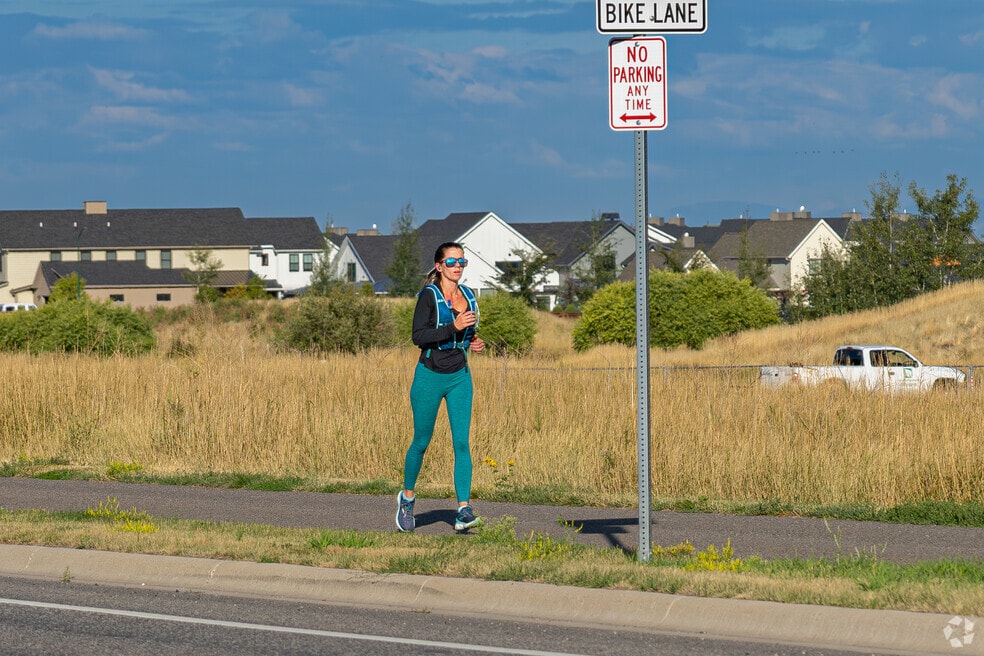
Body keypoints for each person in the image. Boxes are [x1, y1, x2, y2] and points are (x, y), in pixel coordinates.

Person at [396, 242, 486, 533]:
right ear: (439, 266)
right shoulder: (428, 296)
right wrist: (454, 328)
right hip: (430, 376)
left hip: (460, 376)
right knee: (422, 441)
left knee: (462, 442)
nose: (458, 266)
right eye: (451, 261)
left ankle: (463, 509)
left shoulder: (468, 296)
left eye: (462, 261)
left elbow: (465, 331)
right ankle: (407, 499)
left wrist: (472, 340)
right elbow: (419, 336)